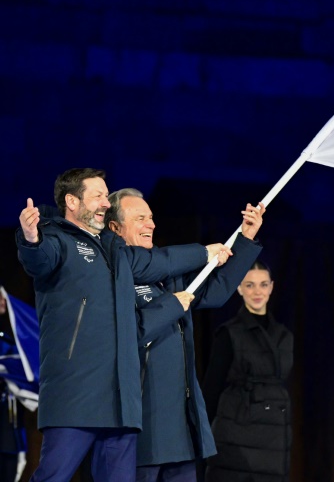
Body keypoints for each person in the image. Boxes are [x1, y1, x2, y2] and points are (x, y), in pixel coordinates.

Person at [15, 168, 230, 482]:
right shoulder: (56, 239)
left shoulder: (116, 250)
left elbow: (161, 261)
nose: (106, 202)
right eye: (98, 195)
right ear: (72, 201)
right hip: (76, 397)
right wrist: (30, 239)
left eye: (106, 194)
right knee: (53, 477)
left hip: (121, 401)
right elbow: (38, 259)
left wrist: (205, 252)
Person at [104, 187, 266, 481]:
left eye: (151, 218)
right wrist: (170, 306)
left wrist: (246, 238)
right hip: (138, 427)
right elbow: (123, 336)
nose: (151, 224)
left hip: (180, 426)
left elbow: (215, 292)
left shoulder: (169, 273)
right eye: (140, 218)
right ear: (114, 227)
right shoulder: (109, 274)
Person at [202, 261, 293, 482]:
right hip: (237, 427)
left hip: (273, 434)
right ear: (239, 288)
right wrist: (201, 436)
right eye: (249, 285)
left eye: (263, 285)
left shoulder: (284, 336)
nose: (257, 292)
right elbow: (212, 388)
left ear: (271, 287)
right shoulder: (229, 333)